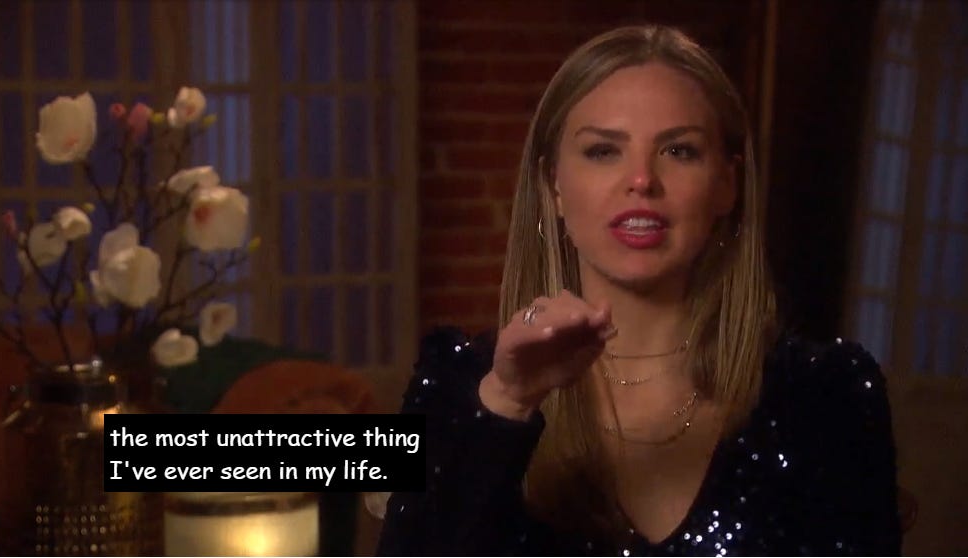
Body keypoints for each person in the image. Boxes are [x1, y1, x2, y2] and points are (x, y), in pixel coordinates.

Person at [377, 24, 901, 556]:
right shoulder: (453, 384)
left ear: (727, 184)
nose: (642, 181)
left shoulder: (827, 395)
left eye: (679, 150)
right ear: (553, 185)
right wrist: (506, 404)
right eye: (603, 151)